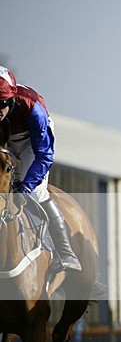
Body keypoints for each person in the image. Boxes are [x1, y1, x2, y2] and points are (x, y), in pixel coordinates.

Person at [0, 66, 81, 272]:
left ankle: (65, 252)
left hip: (32, 141)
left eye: (0, 104)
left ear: (11, 100)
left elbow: (44, 155)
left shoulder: (33, 109)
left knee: (36, 192)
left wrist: (25, 186)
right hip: (5, 141)